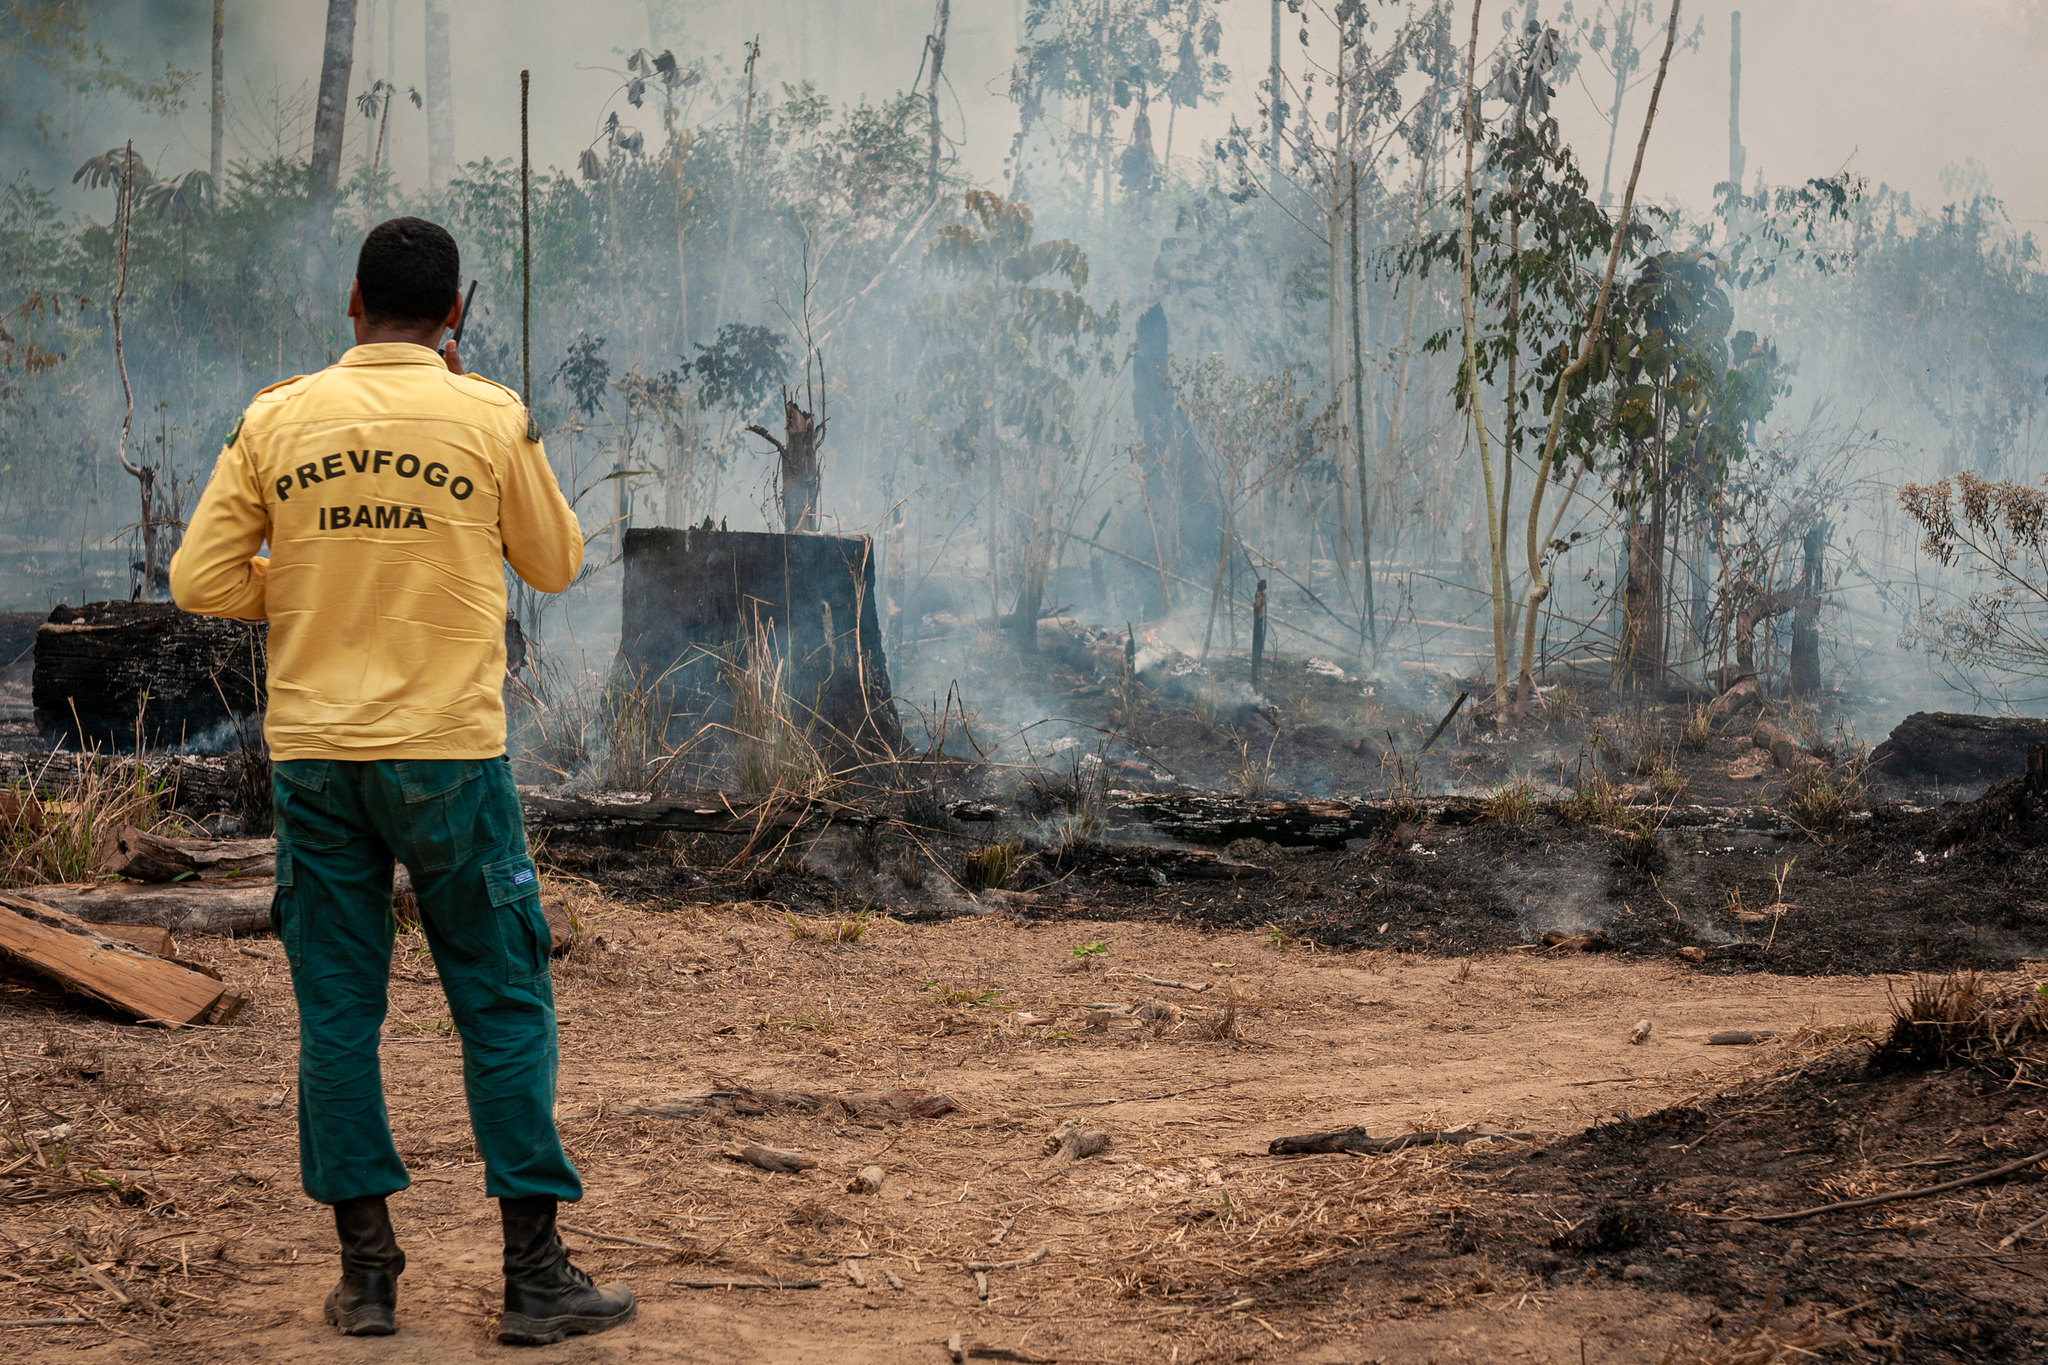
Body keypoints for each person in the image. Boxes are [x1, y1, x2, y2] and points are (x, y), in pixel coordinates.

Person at [169, 216, 632, 1347]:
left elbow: (199, 578)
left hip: (320, 760)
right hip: (450, 759)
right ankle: (533, 1277)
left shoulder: (277, 417)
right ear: (456, 316)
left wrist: (316, 574)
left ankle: (367, 1278)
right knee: (502, 998)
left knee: (337, 1012)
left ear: (351, 306)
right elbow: (559, 564)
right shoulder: (485, 414)